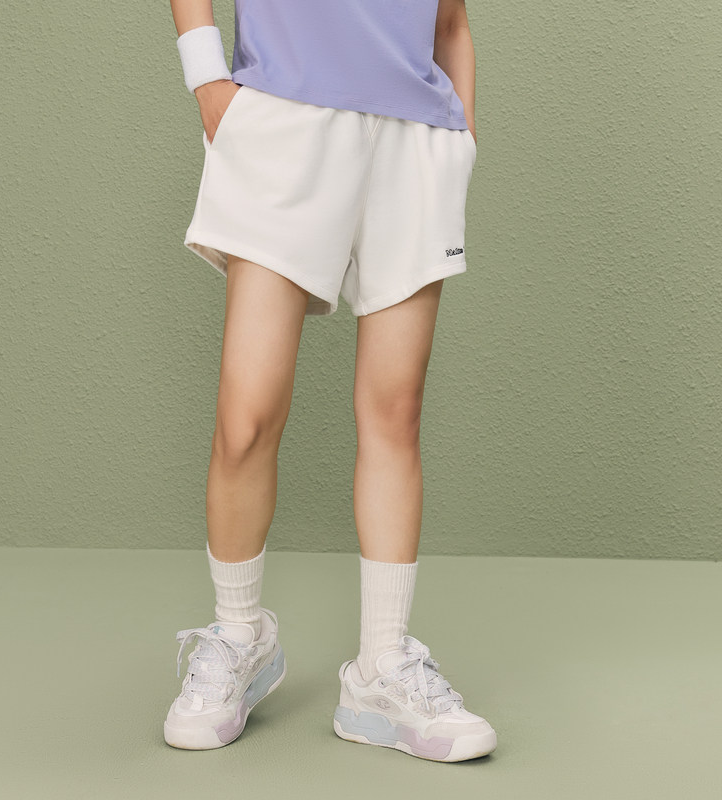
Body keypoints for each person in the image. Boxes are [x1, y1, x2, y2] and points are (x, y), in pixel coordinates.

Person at [163, 0, 497, 763]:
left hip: (416, 136)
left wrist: (462, 138)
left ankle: (382, 668)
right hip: (284, 118)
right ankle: (239, 635)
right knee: (247, 413)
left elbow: (451, 21)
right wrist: (209, 83)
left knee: (395, 412)